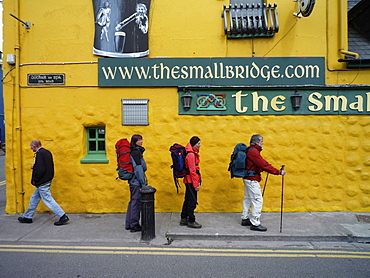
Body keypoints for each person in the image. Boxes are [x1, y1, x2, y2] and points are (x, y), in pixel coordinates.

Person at [18, 140, 69, 226]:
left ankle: (62, 216)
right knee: (34, 198)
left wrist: (35, 179)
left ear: (34, 146)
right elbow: (46, 166)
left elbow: (41, 169)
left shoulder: (39, 154)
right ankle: (27, 216)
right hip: (47, 179)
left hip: (42, 181)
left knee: (48, 199)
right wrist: (35, 167)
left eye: (31, 147)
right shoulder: (46, 152)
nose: (31, 148)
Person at [241, 135, 286, 232]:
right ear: (257, 142)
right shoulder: (253, 152)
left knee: (248, 198)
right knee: (258, 200)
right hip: (252, 179)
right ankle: (255, 223)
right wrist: (278, 172)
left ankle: (245, 218)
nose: (263, 143)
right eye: (262, 141)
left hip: (248, 177)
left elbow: (258, 164)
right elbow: (263, 164)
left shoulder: (251, 150)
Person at [125, 134, 147, 232]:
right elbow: (138, 169)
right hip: (136, 182)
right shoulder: (136, 152)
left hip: (133, 182)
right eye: (139, 140)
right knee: (136, 203)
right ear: (134, 142)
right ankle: (134, 225)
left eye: (141, 140)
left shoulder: (135, 152)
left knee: (133, 202)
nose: (141, 142)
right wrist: (143, 184)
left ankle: (129, 223)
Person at [180, 136, 202, 228]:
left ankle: (184, 218)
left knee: (188, 199)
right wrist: (195, 185)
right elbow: (192, 171)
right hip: (191, 181)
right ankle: (191, 220)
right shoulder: (191, 155)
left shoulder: (190, 153)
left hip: (189, 180)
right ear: (194, 144)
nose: (200, 145)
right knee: (192, 201)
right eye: (198, 143)